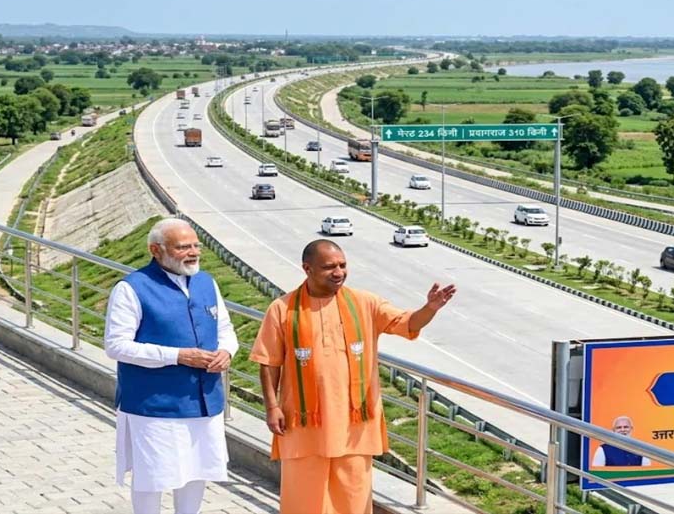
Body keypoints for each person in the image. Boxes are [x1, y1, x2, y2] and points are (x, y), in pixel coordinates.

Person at [250, 239, 456, 514]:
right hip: (303, 423)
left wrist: (429, 308)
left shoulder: (365, 303)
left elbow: (407, 324)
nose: (339, 272)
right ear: (307, 269)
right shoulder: (282, 308)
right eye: (329, 267)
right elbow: (268, 361)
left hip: (354, 424)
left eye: (342, 265)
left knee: (353, 500)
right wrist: (272, 407)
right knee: (303, 500)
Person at [104, 218, 238, 514]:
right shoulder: (131, 288)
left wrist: (227, 351)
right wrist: (177, 356)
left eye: (196, 246)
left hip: (204, 401)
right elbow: (116, 345)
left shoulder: (207, 282)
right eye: (183, 247)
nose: (193, 253)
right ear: (156, 250)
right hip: (154, 404)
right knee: (152, 475)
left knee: (197, 469)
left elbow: (225, 329)